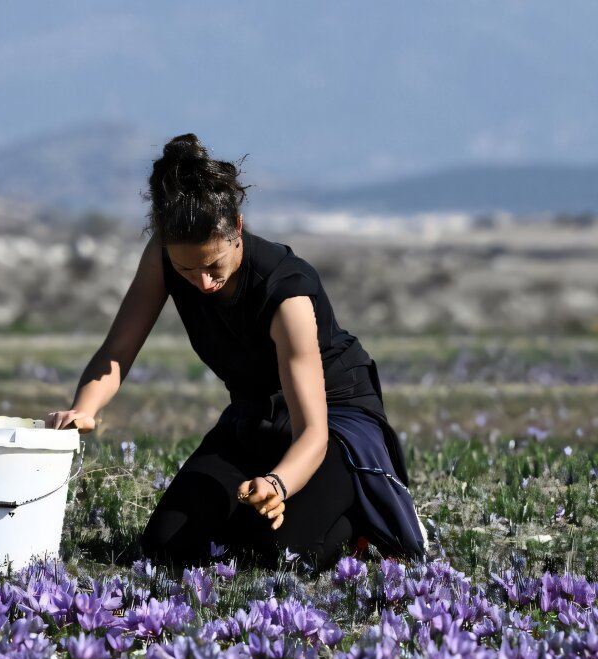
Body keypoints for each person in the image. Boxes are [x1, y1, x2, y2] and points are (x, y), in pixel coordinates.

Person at [46, 133, 423, 570]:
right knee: (167, 547)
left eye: (213, 266)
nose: (203, 283)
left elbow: (312, 434)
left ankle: (358, 516)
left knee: (275, 555)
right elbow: (117, 350)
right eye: (188, 269)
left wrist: (278, 485)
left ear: (237, 228)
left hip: (334, 424)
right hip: (255, 417)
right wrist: (84, 408)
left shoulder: (287, 295)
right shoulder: (163, 258)